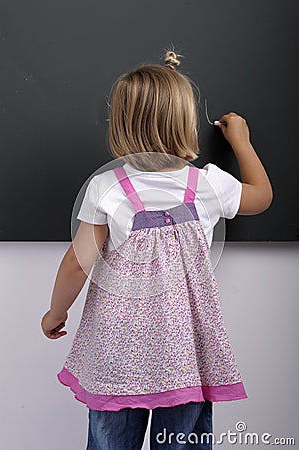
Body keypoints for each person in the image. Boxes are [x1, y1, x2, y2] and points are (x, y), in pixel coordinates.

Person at [41, 50, 273, 450]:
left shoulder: (107, 187)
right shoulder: (207, 184)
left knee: (111, 443)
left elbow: (78, 265)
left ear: (122, 124)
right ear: (185, 121)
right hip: (184, 351)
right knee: (181, 443)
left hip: (117, 352)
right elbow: (262, 197)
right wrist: (240, 141)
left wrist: (56, 311)